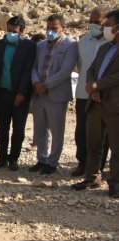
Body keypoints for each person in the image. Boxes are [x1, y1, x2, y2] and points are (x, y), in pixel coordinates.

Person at [73, 9, 119, 198]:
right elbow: (91, 69)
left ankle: (115, 183)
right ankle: (91, 176)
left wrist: (96, 85)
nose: (104, 29)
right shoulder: (105, 48)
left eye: (108, 25)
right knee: (93, 143)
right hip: (95, 102)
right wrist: (91, 87)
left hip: (114, 105)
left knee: (116, 147)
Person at [30, 14, 78, 175]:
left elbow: (66, 70)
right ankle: (41, 159)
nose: (50, 31)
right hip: (39, 93)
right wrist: (37, 83)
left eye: (54, 28)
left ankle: (52, 162)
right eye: (48, 28)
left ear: (63, 28)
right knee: (40, 129)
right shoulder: (41, 45)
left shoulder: (71, 45)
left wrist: (46, 85)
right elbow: (34, 67)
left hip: (56, 94)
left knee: (57, 130)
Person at [0, 16, 36, 171]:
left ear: (22, 31)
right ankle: (2, 157)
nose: (10, 33)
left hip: (19, 95)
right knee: (2, 128)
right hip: (2, 93)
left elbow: (27, 70)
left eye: (14, 31)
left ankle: (14, 159)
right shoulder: (0, 44)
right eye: (8, 30)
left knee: (18, 129)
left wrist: (22, 92)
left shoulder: (28, 46)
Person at [72, 7, 108, 177]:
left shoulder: (110, 43)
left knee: (102, 133)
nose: (93, 25)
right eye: (91, 22)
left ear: (106, 23)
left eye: (97, 22)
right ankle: (82, 162)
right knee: (81, 131)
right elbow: (80, 66)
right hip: (83, 93)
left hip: (103, 95)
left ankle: (97, 168)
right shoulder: (83, 41)